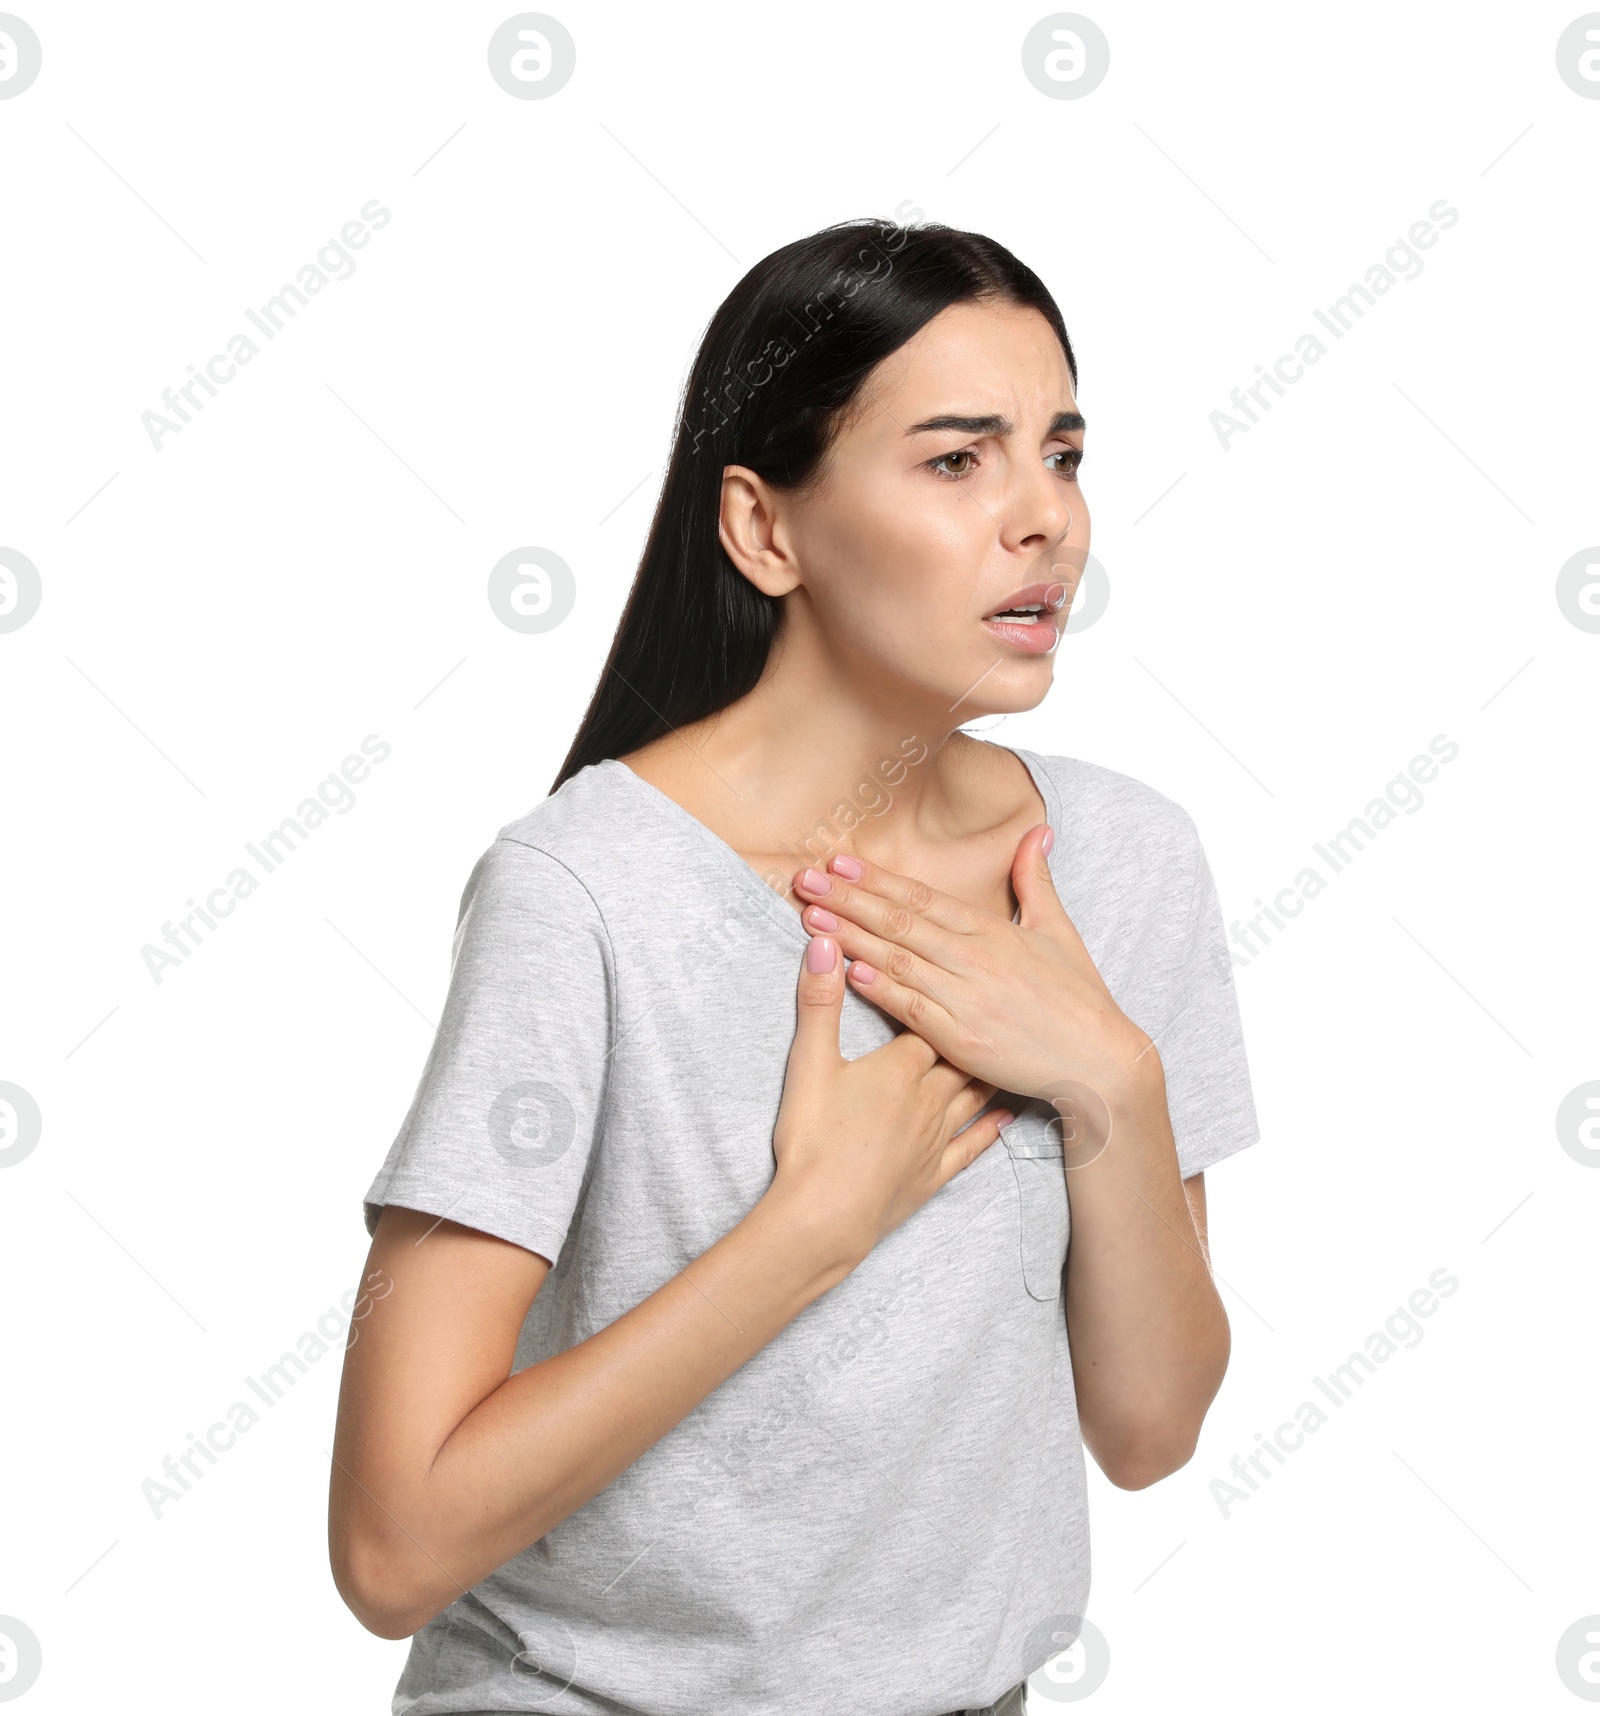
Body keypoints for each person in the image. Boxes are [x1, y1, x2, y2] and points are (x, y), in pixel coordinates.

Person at [328, 217, 1261, 1716]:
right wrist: (811, 1227)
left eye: (1063, 453)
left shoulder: (1121, 866)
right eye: (958, 460)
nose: (1045, 520)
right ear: (766, 529)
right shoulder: (584, 894)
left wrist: (1112, 1080)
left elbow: (1151, 1429)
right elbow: (391, 1545)